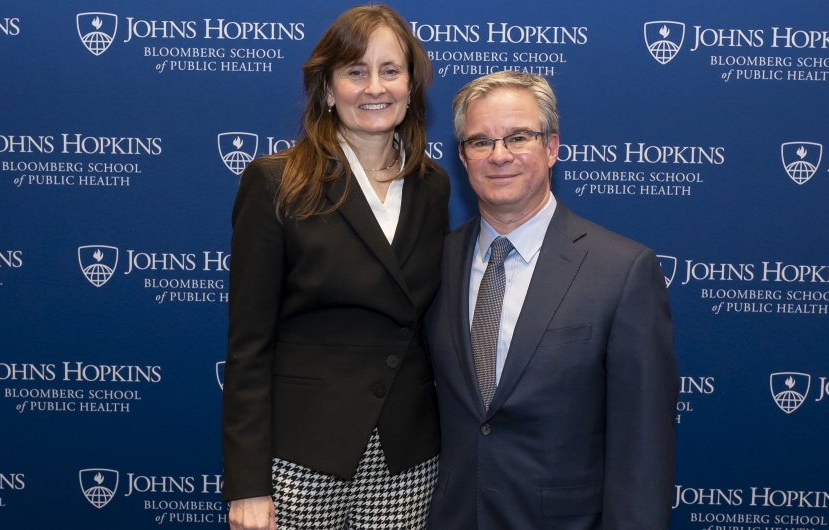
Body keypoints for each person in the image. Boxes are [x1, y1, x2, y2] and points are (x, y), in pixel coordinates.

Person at [221, 5, 448, 530]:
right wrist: (248, 486)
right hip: (303, 455)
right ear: (327, 89)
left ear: (411, 86)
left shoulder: (433, 185)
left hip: (406, 456)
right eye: (355, 71)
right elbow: (248, 344)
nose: (375, 87)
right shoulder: (277, 181)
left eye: (390, 70)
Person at [425, 71, 679, 529]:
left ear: (552, 147)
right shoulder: (432, 262)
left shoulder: (622, 270)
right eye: (481, 142)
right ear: (463, 157)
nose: (499, 155)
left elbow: (643, 448)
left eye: (518, 136)